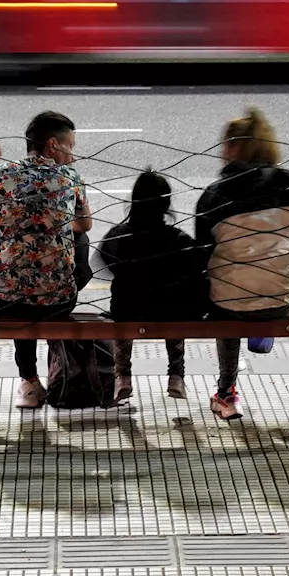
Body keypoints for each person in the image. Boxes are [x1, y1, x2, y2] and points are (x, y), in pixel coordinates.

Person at [195, 107, 289, 420]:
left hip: (229, 305)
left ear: (236, 148)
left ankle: (226, 393)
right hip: (280, 301)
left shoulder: (214, 196)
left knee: (228, 297)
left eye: (226, 144)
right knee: (269, 277)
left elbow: (201, 254)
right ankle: (261, 332)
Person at [0, 110, 92, 409]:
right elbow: (85, 225)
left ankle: (29, 382)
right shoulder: (70, 176)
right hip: (58, 300)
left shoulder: (2, 175)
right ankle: (57, 368)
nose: (72, 153)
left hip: (6, 299)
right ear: (53, 144)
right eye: (70, 146)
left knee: (18, 290)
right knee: (78, 244)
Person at [97, 170, 208, 403]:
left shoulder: (118, 235)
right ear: (166, 204)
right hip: (171, 313)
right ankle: (176, 375)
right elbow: (199, 263)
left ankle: (123, 377)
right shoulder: (178, 239)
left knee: (121, 311)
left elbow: (103, 261)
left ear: (133, 202)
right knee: (176, 304)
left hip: (128, 311)